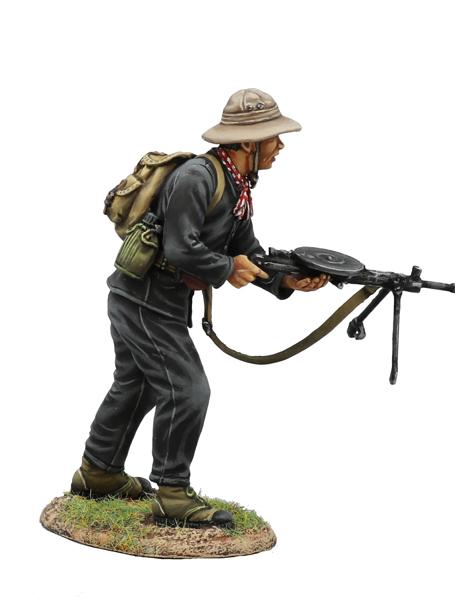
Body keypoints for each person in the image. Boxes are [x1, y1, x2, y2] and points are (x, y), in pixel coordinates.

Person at [71, 88, 328, 528]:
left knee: (137, 385)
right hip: (145, 299)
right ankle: (173, 494)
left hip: (157, 300)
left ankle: (97, 472)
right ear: (248, 141)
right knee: (187, 390)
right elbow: (180, 247)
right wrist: (227, 268)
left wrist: (285, 280)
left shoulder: (237, 185)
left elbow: (248, 250)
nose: (280, 145)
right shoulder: (198, 177)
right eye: (274, 137)